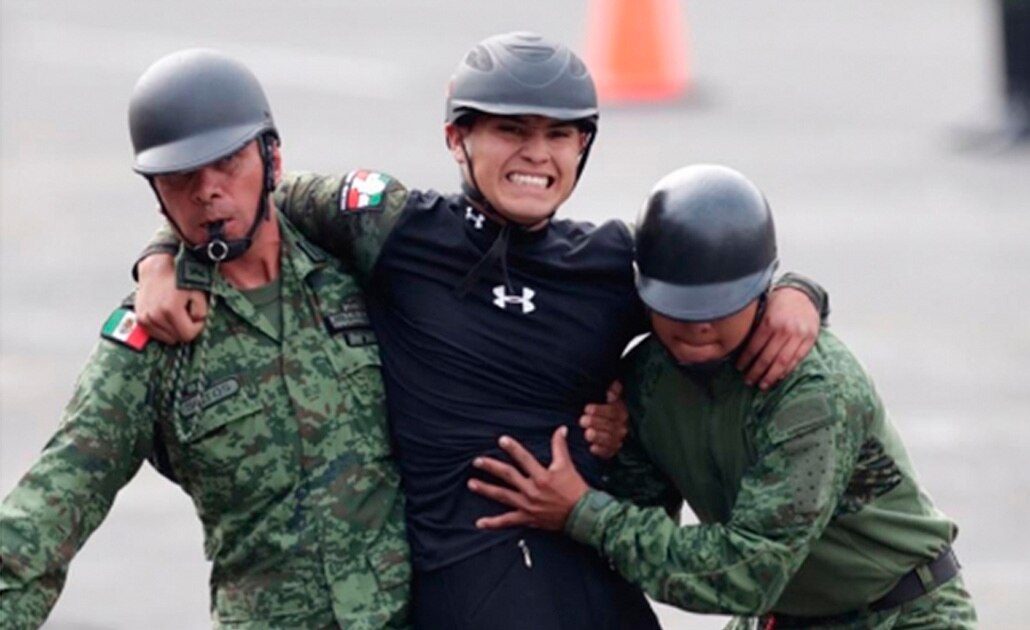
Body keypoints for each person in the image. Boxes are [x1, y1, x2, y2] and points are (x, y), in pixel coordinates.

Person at [135, 33, 828, 629]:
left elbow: (717, 287)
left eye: (558, 134)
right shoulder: (392, 227)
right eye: (510, 131)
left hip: (596, 578)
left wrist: (800, 294)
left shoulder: (614, 262)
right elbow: (234, 197)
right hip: (469, 588)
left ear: (584, 145)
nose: (537, 154)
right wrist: (158, 260)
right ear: (456, 137)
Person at [0, 49, 411, 629]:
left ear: (272, 157)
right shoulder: (152, 342)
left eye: (229, 163)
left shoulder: (352, 263)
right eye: (182, 177)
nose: (208, 191)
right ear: (158, 193)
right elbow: (49, 506)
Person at [467, 164, 978, 629]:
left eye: (719, 305)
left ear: (761, 294)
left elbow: (745, 572)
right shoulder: (648, 377)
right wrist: (609, 449)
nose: (697, 324)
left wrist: (583, 512)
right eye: (678, 306)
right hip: (780, 617)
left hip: (901, 615)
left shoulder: (810, 390)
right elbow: (646, 525)